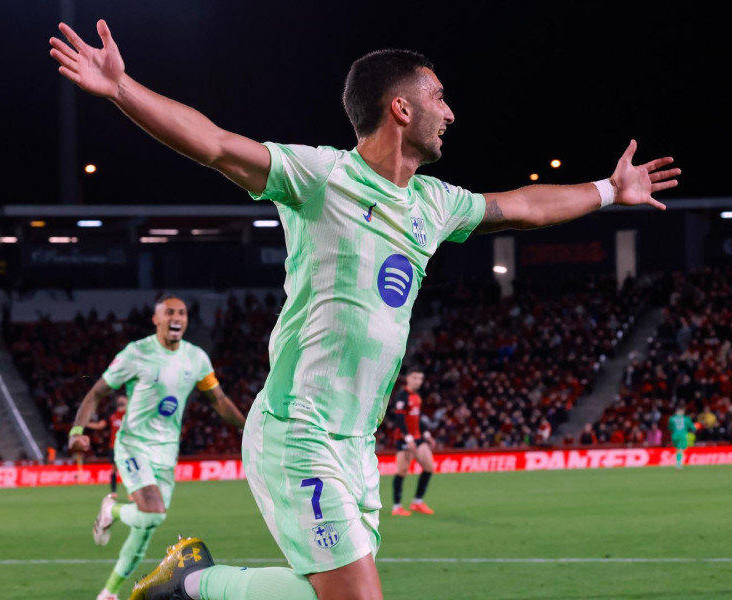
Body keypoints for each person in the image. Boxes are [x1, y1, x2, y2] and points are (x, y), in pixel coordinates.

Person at [49, 20, 679, 600]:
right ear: (400, 107)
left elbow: (524, 206)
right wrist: (121, 88)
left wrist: (608, 191)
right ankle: (195, 586)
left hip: (358, 442)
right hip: (299, 428)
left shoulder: (435, 204)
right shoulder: (323, 177)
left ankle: (194, 582)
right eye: (439, 96)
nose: (450, 112)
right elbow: (215, 145)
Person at [66, 295, 246, 600]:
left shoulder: (196, 358)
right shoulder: (136, 353)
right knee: (153, 514)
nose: (177, 317)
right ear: (156, 319)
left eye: (182, 313)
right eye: (169, 313)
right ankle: (112, 509)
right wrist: (76, 431)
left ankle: (108, 594)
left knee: (145, 530)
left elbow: (219, 400)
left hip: (166, 451)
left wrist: (247, 428)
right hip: (134, 444)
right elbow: (97, 393)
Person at [390, 366, 436, 516]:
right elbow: (399, 419)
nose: (419, 381)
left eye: (421, 378)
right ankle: (397, 506)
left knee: (429, 467)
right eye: (416, 378)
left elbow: (416, 418)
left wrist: (427, 434)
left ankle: (417, 502)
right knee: (402, 471)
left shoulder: (417, 396)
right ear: (408, 378)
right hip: (404, 439)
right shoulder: (402, 395)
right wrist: (408, 438)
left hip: (418, 438)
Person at [668, 403, 696, 470]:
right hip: (682, 435)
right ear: (682, 411)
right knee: (680, 449)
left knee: (678, 449)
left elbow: (669, 428)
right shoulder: (686, 418)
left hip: (674, 435)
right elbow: (692, 427)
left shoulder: (671, 418)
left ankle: (678, 461)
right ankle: (678, 464)